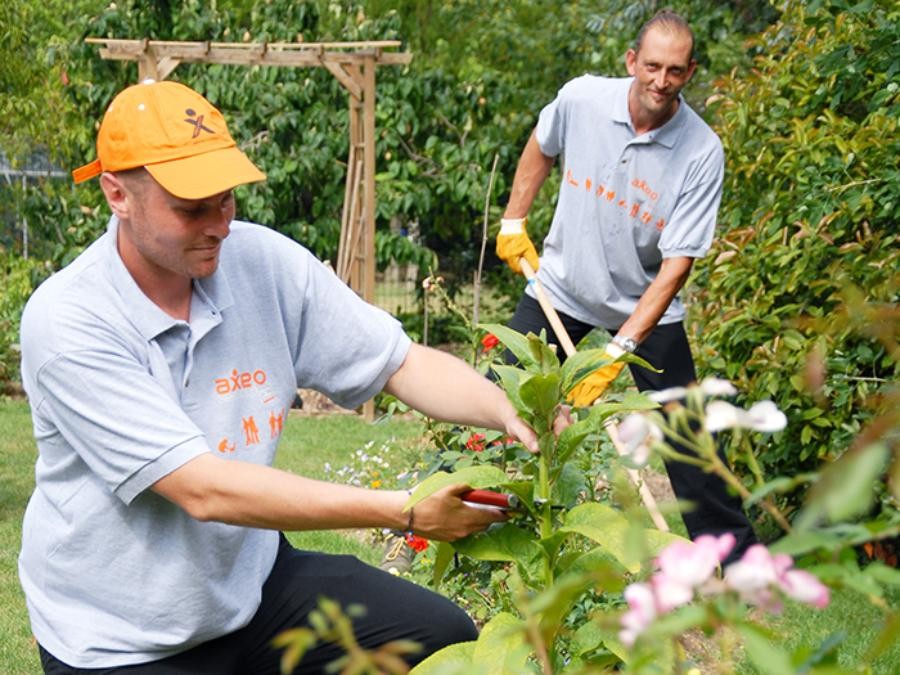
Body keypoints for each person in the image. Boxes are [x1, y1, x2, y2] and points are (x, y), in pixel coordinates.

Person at [19, 79, 551, 674]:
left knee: (440, 638)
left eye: (225, 199)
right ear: (117, 194)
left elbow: (399, 362)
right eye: (192, 208)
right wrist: (405, 510)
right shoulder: (71, 321)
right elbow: (203, 489)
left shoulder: (260, 263)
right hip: (122, 636)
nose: (219, 223)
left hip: (250, 590)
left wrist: (510, 408)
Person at [495, 9, 757, 564]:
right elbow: (542, 147)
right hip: (561, 287)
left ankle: (735, 560)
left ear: (690, 73)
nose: (662, 82)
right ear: (631, 61)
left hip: (643, 306)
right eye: (653, 66)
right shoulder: (582, 99)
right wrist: (514, 220)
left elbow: (675, 267)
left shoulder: (701, 152)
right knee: (498, 391)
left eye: (677, 71)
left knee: (687, 436)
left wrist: (619, 349)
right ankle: (468, 511)